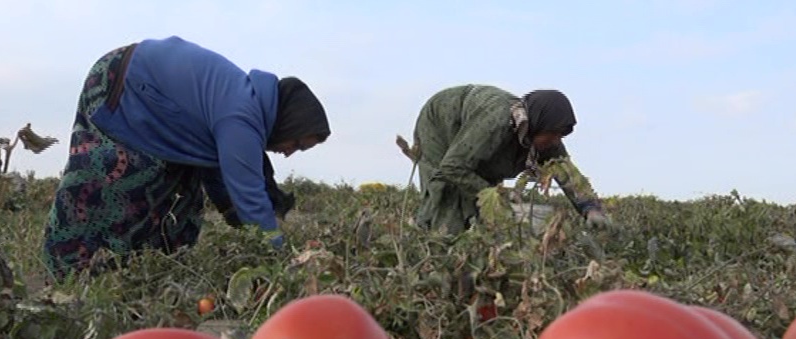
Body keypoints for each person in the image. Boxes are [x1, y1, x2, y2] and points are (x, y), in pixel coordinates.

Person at [42, 36, 331, 281]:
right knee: (124, 175)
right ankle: (66, 269)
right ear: (290, 122)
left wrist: (244, 230)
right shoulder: (242, 115)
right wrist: (280, 263)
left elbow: (221, 180)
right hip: (122, 84)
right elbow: (249, 197)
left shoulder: (245, 104)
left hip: (141, 89)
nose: (290, 152)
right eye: (297, 143)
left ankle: (139, 272)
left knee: (183, 197)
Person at [398, 85, 610, 235]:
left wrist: (591, 209)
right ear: (537, 123)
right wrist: (501, 200)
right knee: (447, 197)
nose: (555, 140)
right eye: (553, 134)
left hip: (474, 139)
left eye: (560, 136)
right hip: (440, 125)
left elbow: (568, 174)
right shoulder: (497, 122)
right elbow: (453, 167)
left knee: (484, 203)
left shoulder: (547, 137)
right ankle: (428, 241)